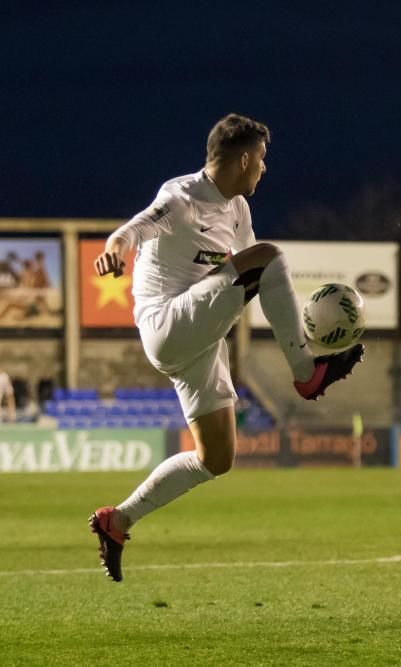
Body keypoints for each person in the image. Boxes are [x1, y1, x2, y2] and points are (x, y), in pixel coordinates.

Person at [89, 114, 365, 582]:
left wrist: (295, 323)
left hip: (201, 337)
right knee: (269, 257)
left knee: (216, 459)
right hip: (168, 322)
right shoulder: (180, 198)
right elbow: (131, 231)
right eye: (261, 159)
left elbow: (257, 280)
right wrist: (115, 250)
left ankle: (117, 522)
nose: (264, 168)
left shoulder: (237, 208)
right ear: (242, 158)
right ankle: (306, 375)